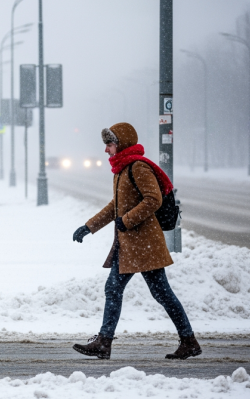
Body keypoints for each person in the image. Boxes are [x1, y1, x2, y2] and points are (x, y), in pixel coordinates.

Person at [71, 122, 200, 360]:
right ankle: (106, 341)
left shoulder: (138, 167)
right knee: (120, 289)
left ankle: (187, 340)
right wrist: (89, 227)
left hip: (143, 243)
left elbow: (154, 199)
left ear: (121, 143)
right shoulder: (121, 170)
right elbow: (115, 207)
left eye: (109, 144)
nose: (106, 150)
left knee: (159, 293)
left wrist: (127, 220)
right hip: (130, 244)